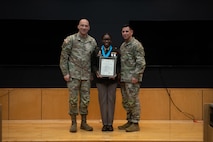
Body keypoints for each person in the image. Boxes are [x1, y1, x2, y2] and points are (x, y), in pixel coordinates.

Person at [59, 18, 97, 133]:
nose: (84, 27)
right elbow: (63, 57)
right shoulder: (70, 40)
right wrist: (65, 73)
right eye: (82, 25)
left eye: (86, 26)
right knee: (73, 100)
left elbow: (94, 60)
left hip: (86, 76)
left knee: (85, 100)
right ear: (78, 26)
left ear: (89, 27)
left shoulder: (92, 41)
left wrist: (93, 73)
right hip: (73, 75)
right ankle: (74, 122)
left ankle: (84, 122)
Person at [118, 24, 146, 132]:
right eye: (123, 32)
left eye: (126, 31)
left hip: (133, 79)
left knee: (133, 100)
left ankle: (135, 123)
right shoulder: (123, 46)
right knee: (127, 101)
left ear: (131, 32)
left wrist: (136, 76)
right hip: (125, 78)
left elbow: (141, 63)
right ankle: (129, 120)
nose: (125, 33)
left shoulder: (136, 45)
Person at [92, 33, 120, 131]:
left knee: (111, 102)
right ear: (102, 41)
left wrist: (116, 73)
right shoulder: (97, 51)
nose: (106, 41)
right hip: (100, 80)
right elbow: (93, 64)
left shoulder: (116, 51)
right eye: (105, 39)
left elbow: (120, 65)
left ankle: (110, 124)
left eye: (108, 39)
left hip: (112, 81)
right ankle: (104, 124)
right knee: (103, 102)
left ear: (111, 40)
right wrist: (96, 72)